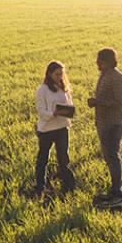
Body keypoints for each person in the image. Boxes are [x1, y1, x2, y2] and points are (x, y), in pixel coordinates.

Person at [87, 47, 122, 208]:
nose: (97, 64)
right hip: (104, 123)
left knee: (113, 156)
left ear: (109, 62)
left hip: (113, 124)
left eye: (100, 61)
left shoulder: (118, 78)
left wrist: (98, 102)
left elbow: (120, 103)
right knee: (109, 157)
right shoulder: (104, 75)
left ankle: (118, 195)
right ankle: (114, 191)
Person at [32, 60, 76, 196]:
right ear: (50, 74)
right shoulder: (42, 90)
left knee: (63, 158)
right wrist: (53, 114)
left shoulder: (64, 88)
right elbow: (41, 111)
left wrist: (68, 111)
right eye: (57, 74)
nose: (60, 77)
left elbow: (70, 104)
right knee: (43, 158)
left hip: (63, 127)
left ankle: (68, 186)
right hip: (46, 130)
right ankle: (40, 186)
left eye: (61, 74)